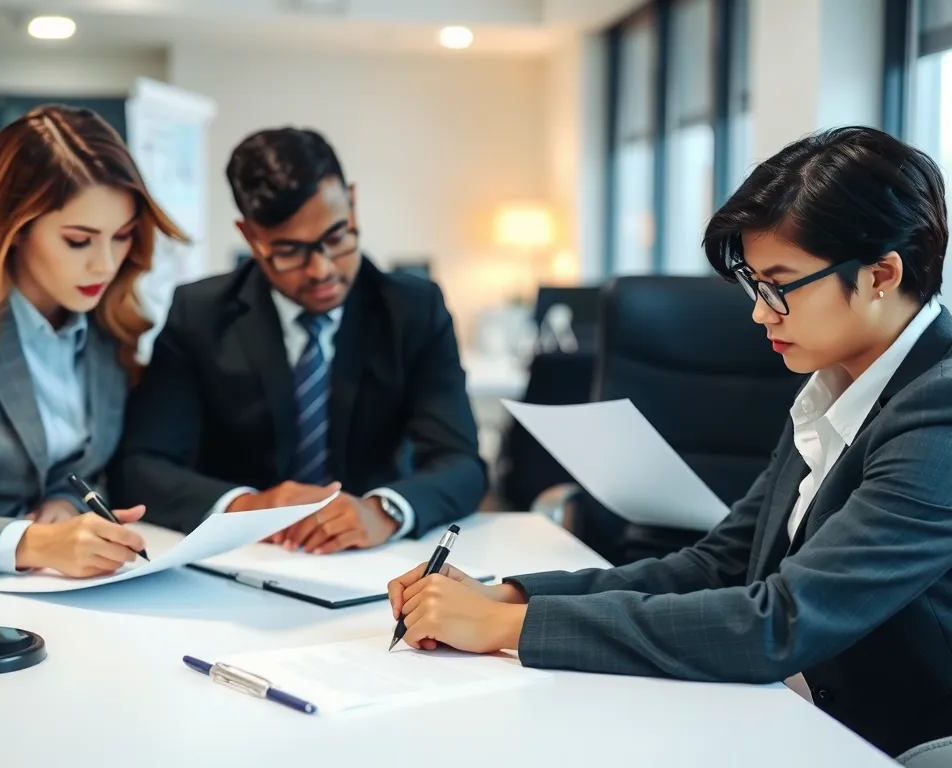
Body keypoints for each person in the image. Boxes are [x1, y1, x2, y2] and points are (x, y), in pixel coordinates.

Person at [387, 126, 952, 758]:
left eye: (779, 285)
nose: (761, 313)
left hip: (890, 740)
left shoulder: (939, 408)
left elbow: (782, 622)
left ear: (880, 274)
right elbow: (717, 566)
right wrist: (513, 594)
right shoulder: (834, 384)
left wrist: (508, 627)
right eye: (752, 284)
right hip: (790, 708)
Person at [109, 127, 486, 553]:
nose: (322, 269)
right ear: (251, 236)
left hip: (375, 560)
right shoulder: (200, 313)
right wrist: (246, 507)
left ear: (353, 205)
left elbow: (462, 463)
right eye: (290, 250)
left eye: (337, 237)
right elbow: (140, 466)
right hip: (242, 558)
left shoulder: (413, 309)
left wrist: (384, 511)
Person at [0, 105, 187, 579]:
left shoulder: (110, 325)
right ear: (14, 229)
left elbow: (83, 470)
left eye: (123, 236)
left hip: (55, 602)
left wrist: (66, 506)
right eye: (78, 240)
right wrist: (27, 542)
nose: (105, 265)